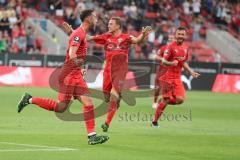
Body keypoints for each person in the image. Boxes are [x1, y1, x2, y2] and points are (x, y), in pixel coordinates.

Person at [17, 9, 109, 145]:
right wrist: (81, 67)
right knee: (61, 108)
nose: (97, 18)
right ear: (88, 18)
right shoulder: (78, 34)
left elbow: (77, 43)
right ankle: (29, 99)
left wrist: (71, 33)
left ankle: (92, 136)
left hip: (76, 75)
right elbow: (72, 54)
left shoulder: (80, 33)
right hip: (69, 76)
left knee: (88, 103)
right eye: (94, 16)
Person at [61, 17, 152, 132]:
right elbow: (87, 38)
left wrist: (143, 35)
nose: (108, 26)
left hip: (120, 70)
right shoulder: (106, 37)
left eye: (111, 24)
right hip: (107, 71)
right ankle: (117, 97)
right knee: (107, 97)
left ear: (118, 26)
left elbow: (137, 40)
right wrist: (72, 32)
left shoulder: (126, 37)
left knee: (114, 95)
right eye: (108, 24)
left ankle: (106, 123)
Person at [152, 26, 200, 127]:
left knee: (180, 100)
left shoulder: (186, 48)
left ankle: (162, 102)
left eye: (182, 34)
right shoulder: (170, 47)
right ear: (175, 35)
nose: (180, 36)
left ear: (185, 36)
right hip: (167, 77)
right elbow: (164, 61)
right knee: (165, 99)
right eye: (179, 34)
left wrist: (191, 72)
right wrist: (171, 63)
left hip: (177, 77)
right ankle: (154, 121)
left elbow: (183, 62)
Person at [152, 34, 175, 109]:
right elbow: (156, 56)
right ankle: (155, 102)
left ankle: (160, 102)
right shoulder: (163, 48)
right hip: (161, 71)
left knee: (168, 89)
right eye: (170, 38)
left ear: (175, 39)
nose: (171, 39)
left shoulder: (176, 49)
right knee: (157, 88)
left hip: (171, 72)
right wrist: (163, 59)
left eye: (172, 38)